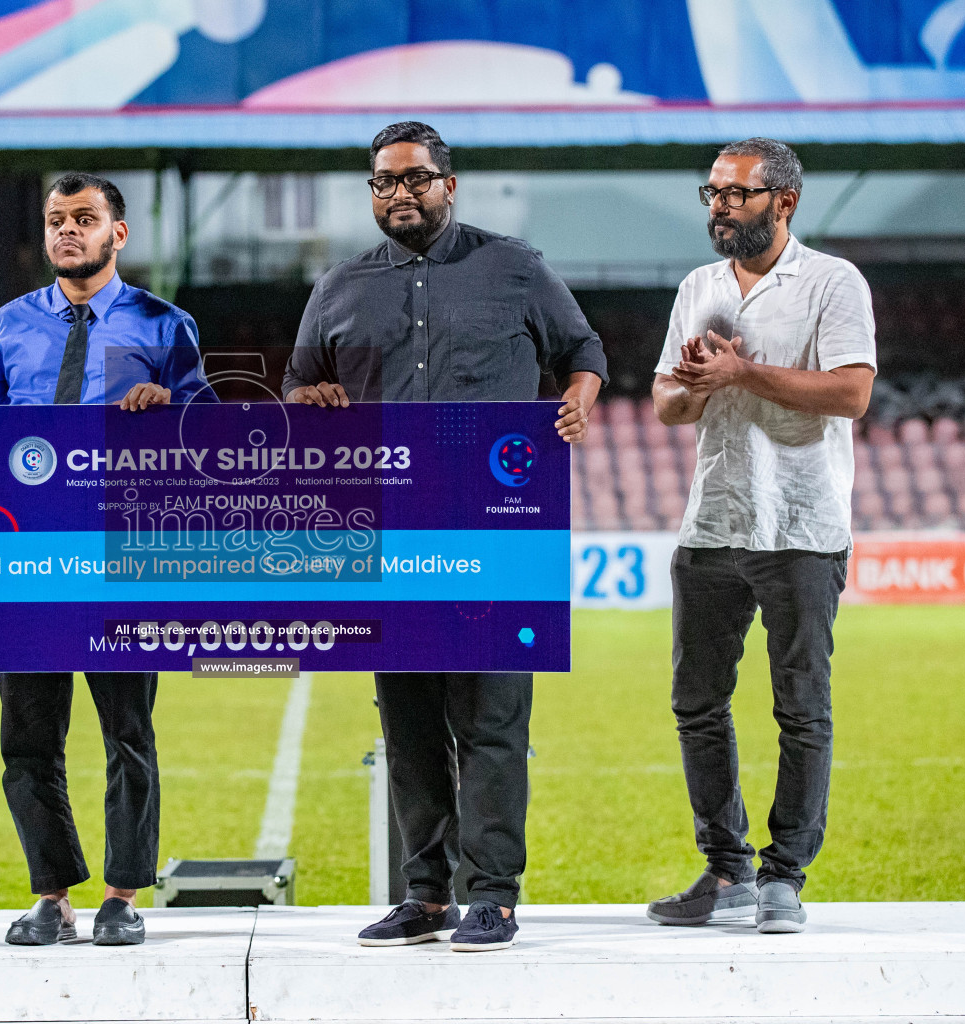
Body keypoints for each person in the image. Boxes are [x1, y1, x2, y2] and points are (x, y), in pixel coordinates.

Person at [283, 122, 607, 952]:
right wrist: (309, 401)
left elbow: (582, 349)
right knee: (410, 722)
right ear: (373, 192)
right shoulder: (339, 287)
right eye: (386, 182)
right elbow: (300, 382)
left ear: (449, 184)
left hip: (497, 530)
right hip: (384, 537)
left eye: (417, 179)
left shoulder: (514, 267)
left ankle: (491, 893)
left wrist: (578, 398)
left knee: (494, 717)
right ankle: (424, 894)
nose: (402, 193)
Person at [0, 172, 210, 946]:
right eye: (56, 220)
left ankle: (122, 895)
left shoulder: (164, 325)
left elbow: (208, 440)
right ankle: (52, 895)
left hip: (124, 559)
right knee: (27, 740)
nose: (66, 232)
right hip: (26, 569)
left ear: (118, 232)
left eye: (84, 218)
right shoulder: (10, 325)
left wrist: (169, 407)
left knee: (128, 734)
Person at [646, 138, 875, 934]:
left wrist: (743, 373)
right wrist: (695, 382)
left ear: (784, 202)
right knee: (697, 703)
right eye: (711, 192)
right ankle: (725, 872)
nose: (718, 206)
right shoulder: (698, 287)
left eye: (736, 195)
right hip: (712, 520)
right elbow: (668, 408)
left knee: (800, 707)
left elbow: (850, 393)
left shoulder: (832, 281)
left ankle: (785, 879)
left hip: (802, 526)